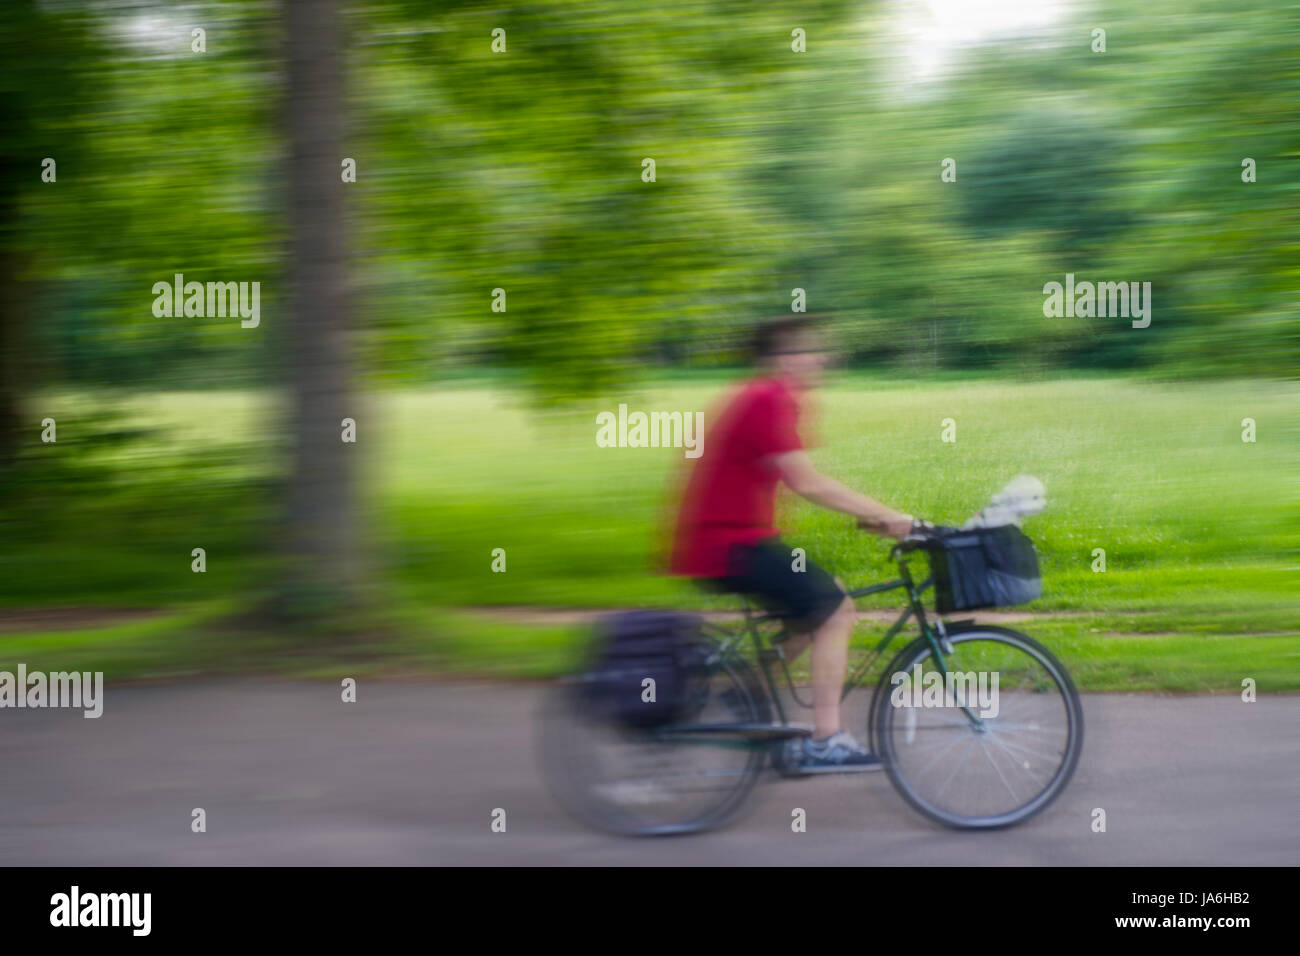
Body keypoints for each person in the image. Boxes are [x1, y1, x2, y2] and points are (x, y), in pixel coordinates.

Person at [668, 315, 914, 771]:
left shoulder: (769, 396)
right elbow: (808, 482)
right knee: (836, 607)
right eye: (808, 350)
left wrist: (872, 516)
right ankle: (826, 739)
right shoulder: (768, 397)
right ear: (783, 360)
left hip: (725, 541)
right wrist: (888, 515)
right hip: (727, 545)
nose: (820, 357)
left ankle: (749, 696)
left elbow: (795, 477)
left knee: (817, 602)